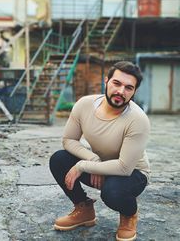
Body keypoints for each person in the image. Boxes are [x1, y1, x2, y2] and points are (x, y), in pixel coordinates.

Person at [49, 61, 150, 241]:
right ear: (106, 81)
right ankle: (84, 209)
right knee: (58, 160)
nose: (121, 91)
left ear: (134, 92)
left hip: (132, 173)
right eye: (116, 83)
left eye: (129, 88)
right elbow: (68, 140)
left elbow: (124, 167)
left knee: (112, 193)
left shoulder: (137, 119)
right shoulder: (84, 105)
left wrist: (84, 165)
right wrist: (92, 159)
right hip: (100, 164)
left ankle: (129, 214)